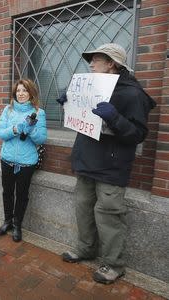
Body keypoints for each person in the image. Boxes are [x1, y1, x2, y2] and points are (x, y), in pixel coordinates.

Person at [57, 43, 156, 284]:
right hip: (86, 160)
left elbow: (138, 134)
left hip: (111, 167)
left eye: (96, 59)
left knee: (109, 215)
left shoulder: (132, 93)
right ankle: (85, 249)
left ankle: (114, 265)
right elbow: (83, 119)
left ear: (111, 63)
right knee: (83, 208)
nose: (90, 64)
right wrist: (70, 103)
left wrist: (114, 117)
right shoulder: (89, 87)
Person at [0, 79, 47, 242]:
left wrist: (31, 131)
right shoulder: (8, 110)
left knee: (22, 195)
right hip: (7, 159)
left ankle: (17, 224)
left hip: (26, 162)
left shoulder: (39, 113)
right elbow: (0, 133)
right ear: (14, 93)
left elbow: (41, 139)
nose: (21, 93)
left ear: (31, 93)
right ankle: (7, 221)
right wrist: (16, 129)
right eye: (18, 91)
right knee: (7, 192)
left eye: (24, 90)